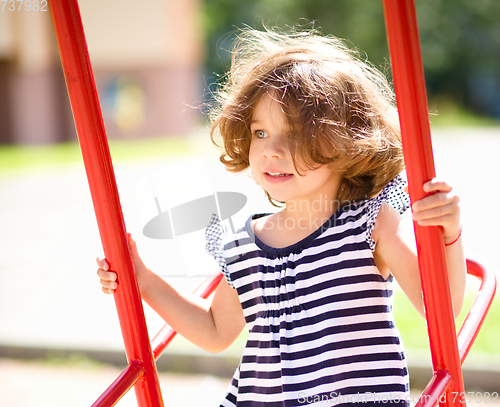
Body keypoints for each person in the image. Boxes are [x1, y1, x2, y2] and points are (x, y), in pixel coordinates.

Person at [97, 28, 466, 406]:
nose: (271, 150)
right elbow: (214, 330)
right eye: (260, 133)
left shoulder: (369, 223)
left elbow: (441, 308)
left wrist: (449, 235)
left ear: (348, 139)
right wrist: (144, 281)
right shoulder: (246, 242)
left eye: (294, 133)